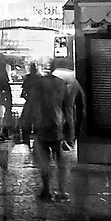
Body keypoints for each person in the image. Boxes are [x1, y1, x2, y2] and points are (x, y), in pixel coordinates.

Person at [22, 63, 73, 202]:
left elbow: (29, 107)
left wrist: (25, 130)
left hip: (41, 126)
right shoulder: (61, 84)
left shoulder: (37, 85)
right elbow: (67, 110)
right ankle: (61, 190)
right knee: (61, 161)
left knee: (44, 161)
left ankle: (46, 190)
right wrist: (70, 133)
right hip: (57, 127)